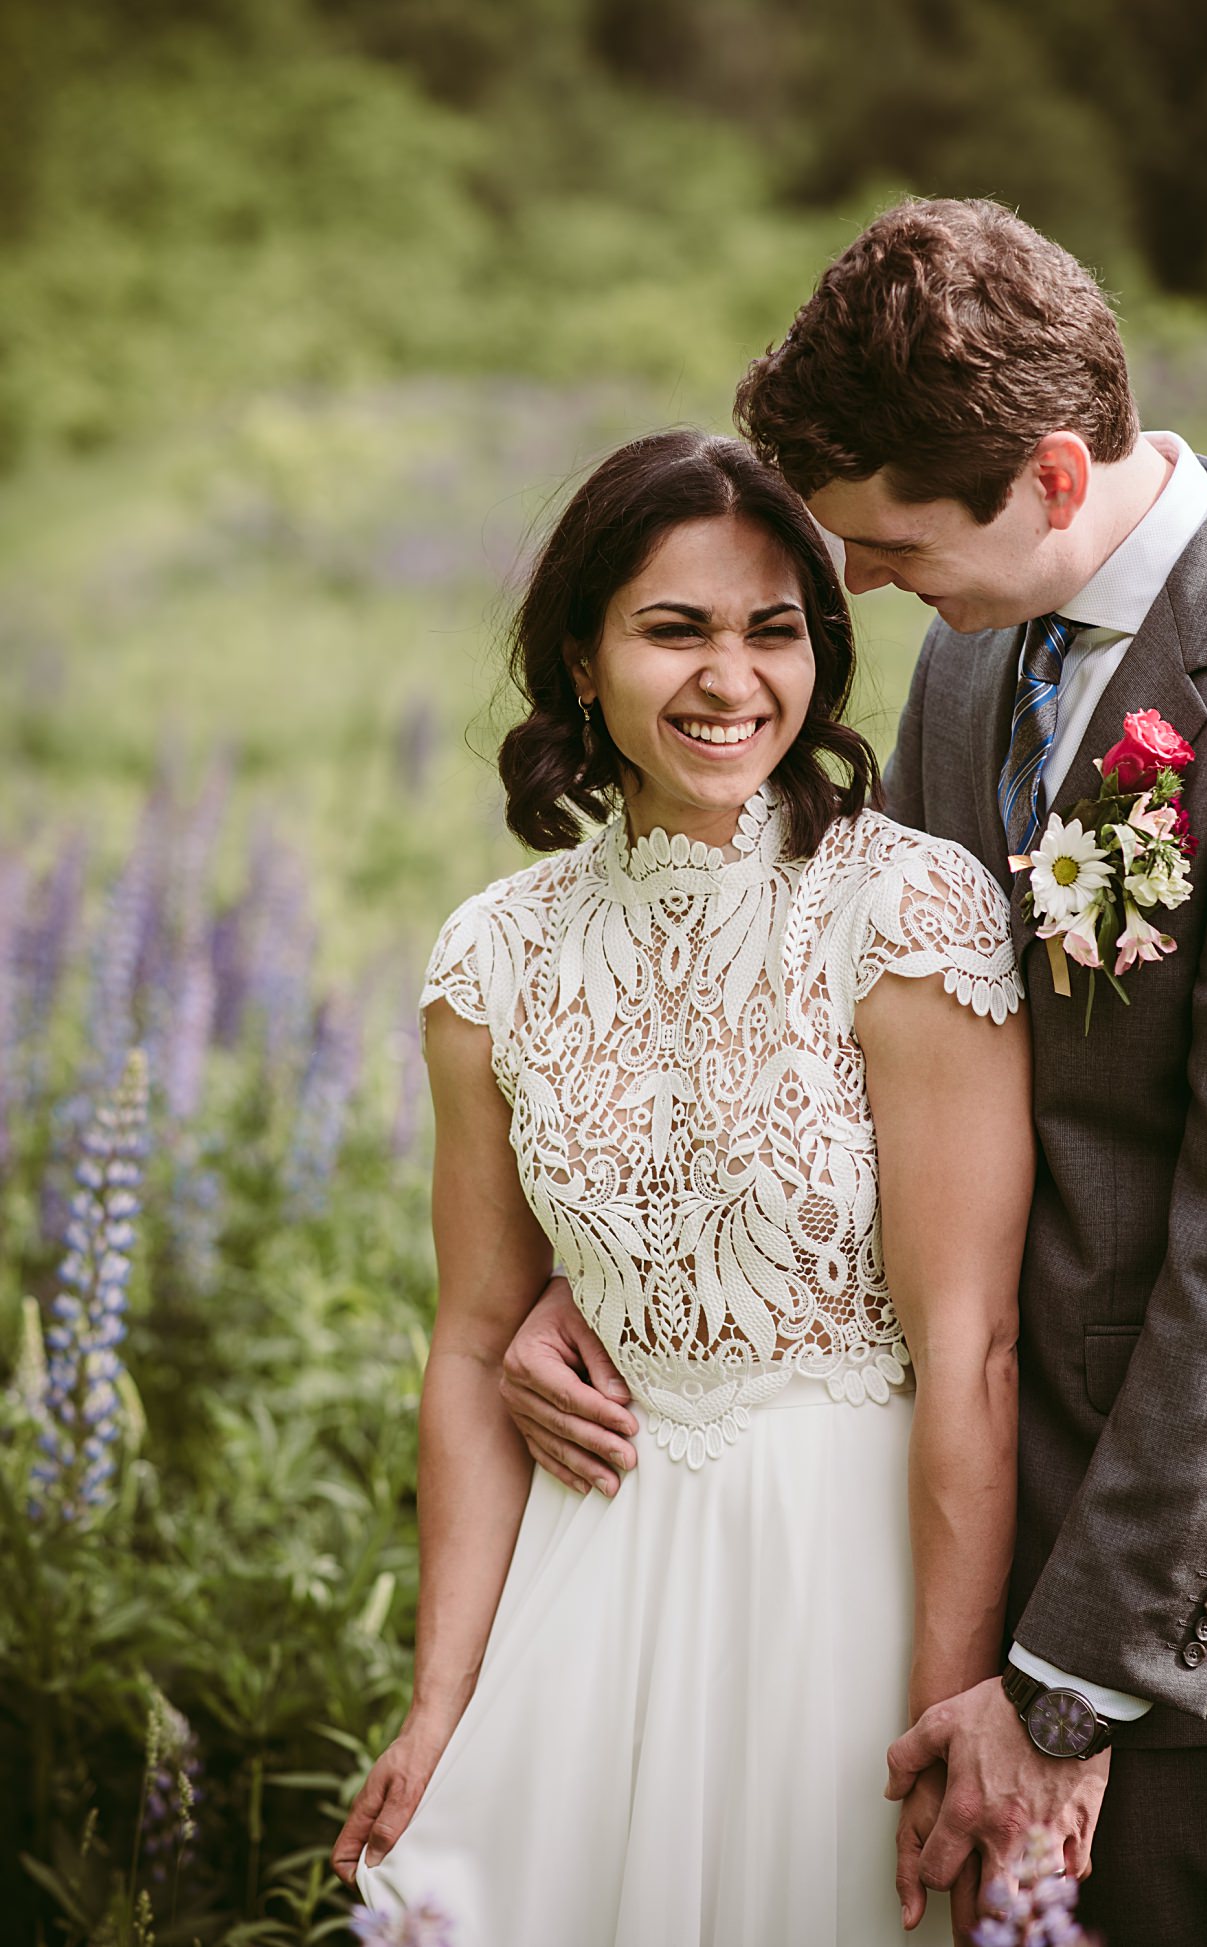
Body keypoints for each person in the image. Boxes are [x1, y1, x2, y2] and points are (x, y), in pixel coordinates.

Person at [502, 199, 1207, 1946]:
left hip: (1180, 1624)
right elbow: (833, 1037)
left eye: (890, 539)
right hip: (911, 1558)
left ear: (1058, 472)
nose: (854, 585)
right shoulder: (970, 649)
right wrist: (608, 1283)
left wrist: (1075, 1688)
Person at [331, 427, 1034, 1945]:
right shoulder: (491, 961)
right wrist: (439, 1705)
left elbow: (972, 1347)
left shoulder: (906, 909)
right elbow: (471, 1340)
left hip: (848, 1577)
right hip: (596, 1581)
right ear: (582, 660)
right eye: (675, 630)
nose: (732, 679)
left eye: (773, 631)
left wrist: (943, 1713)